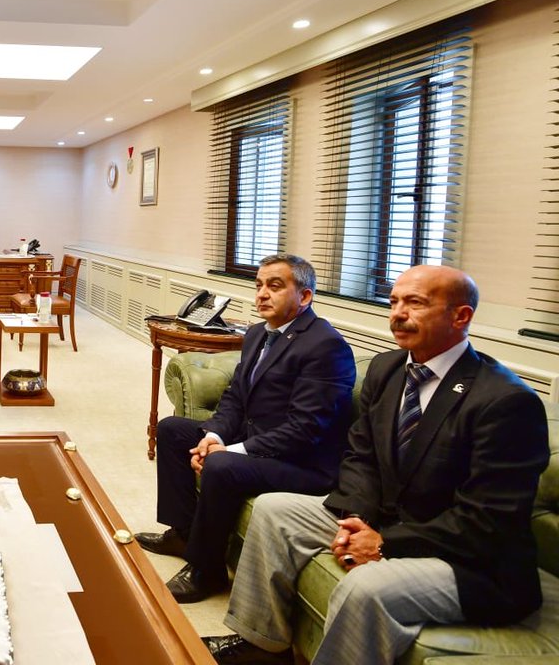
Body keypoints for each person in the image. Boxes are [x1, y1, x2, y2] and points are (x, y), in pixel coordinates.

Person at [204, 265, 550, 665]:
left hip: (472, 562)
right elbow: (360, 454)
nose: (398, 313)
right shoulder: (387, 368)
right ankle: (261, 645)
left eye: (415, 303)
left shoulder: (506, 402)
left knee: (366, 586)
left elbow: (488, 521)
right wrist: (357, 517)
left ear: (461, 317)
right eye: (394, 302)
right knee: (274, 510)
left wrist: (386, 543)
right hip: (386, 518)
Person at [138, 254, 355, 603]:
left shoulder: (325, 346)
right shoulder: (256, 334)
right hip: (255, 441)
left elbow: (305, 430)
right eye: (258, 285)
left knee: (222, 465)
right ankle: (184, 532)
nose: (262, 294)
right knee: (173, 429)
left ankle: (206, 571)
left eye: (275, 286)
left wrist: (230, 451)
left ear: (305, 297)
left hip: (303, 464)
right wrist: (214, 436)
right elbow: (235, 398)